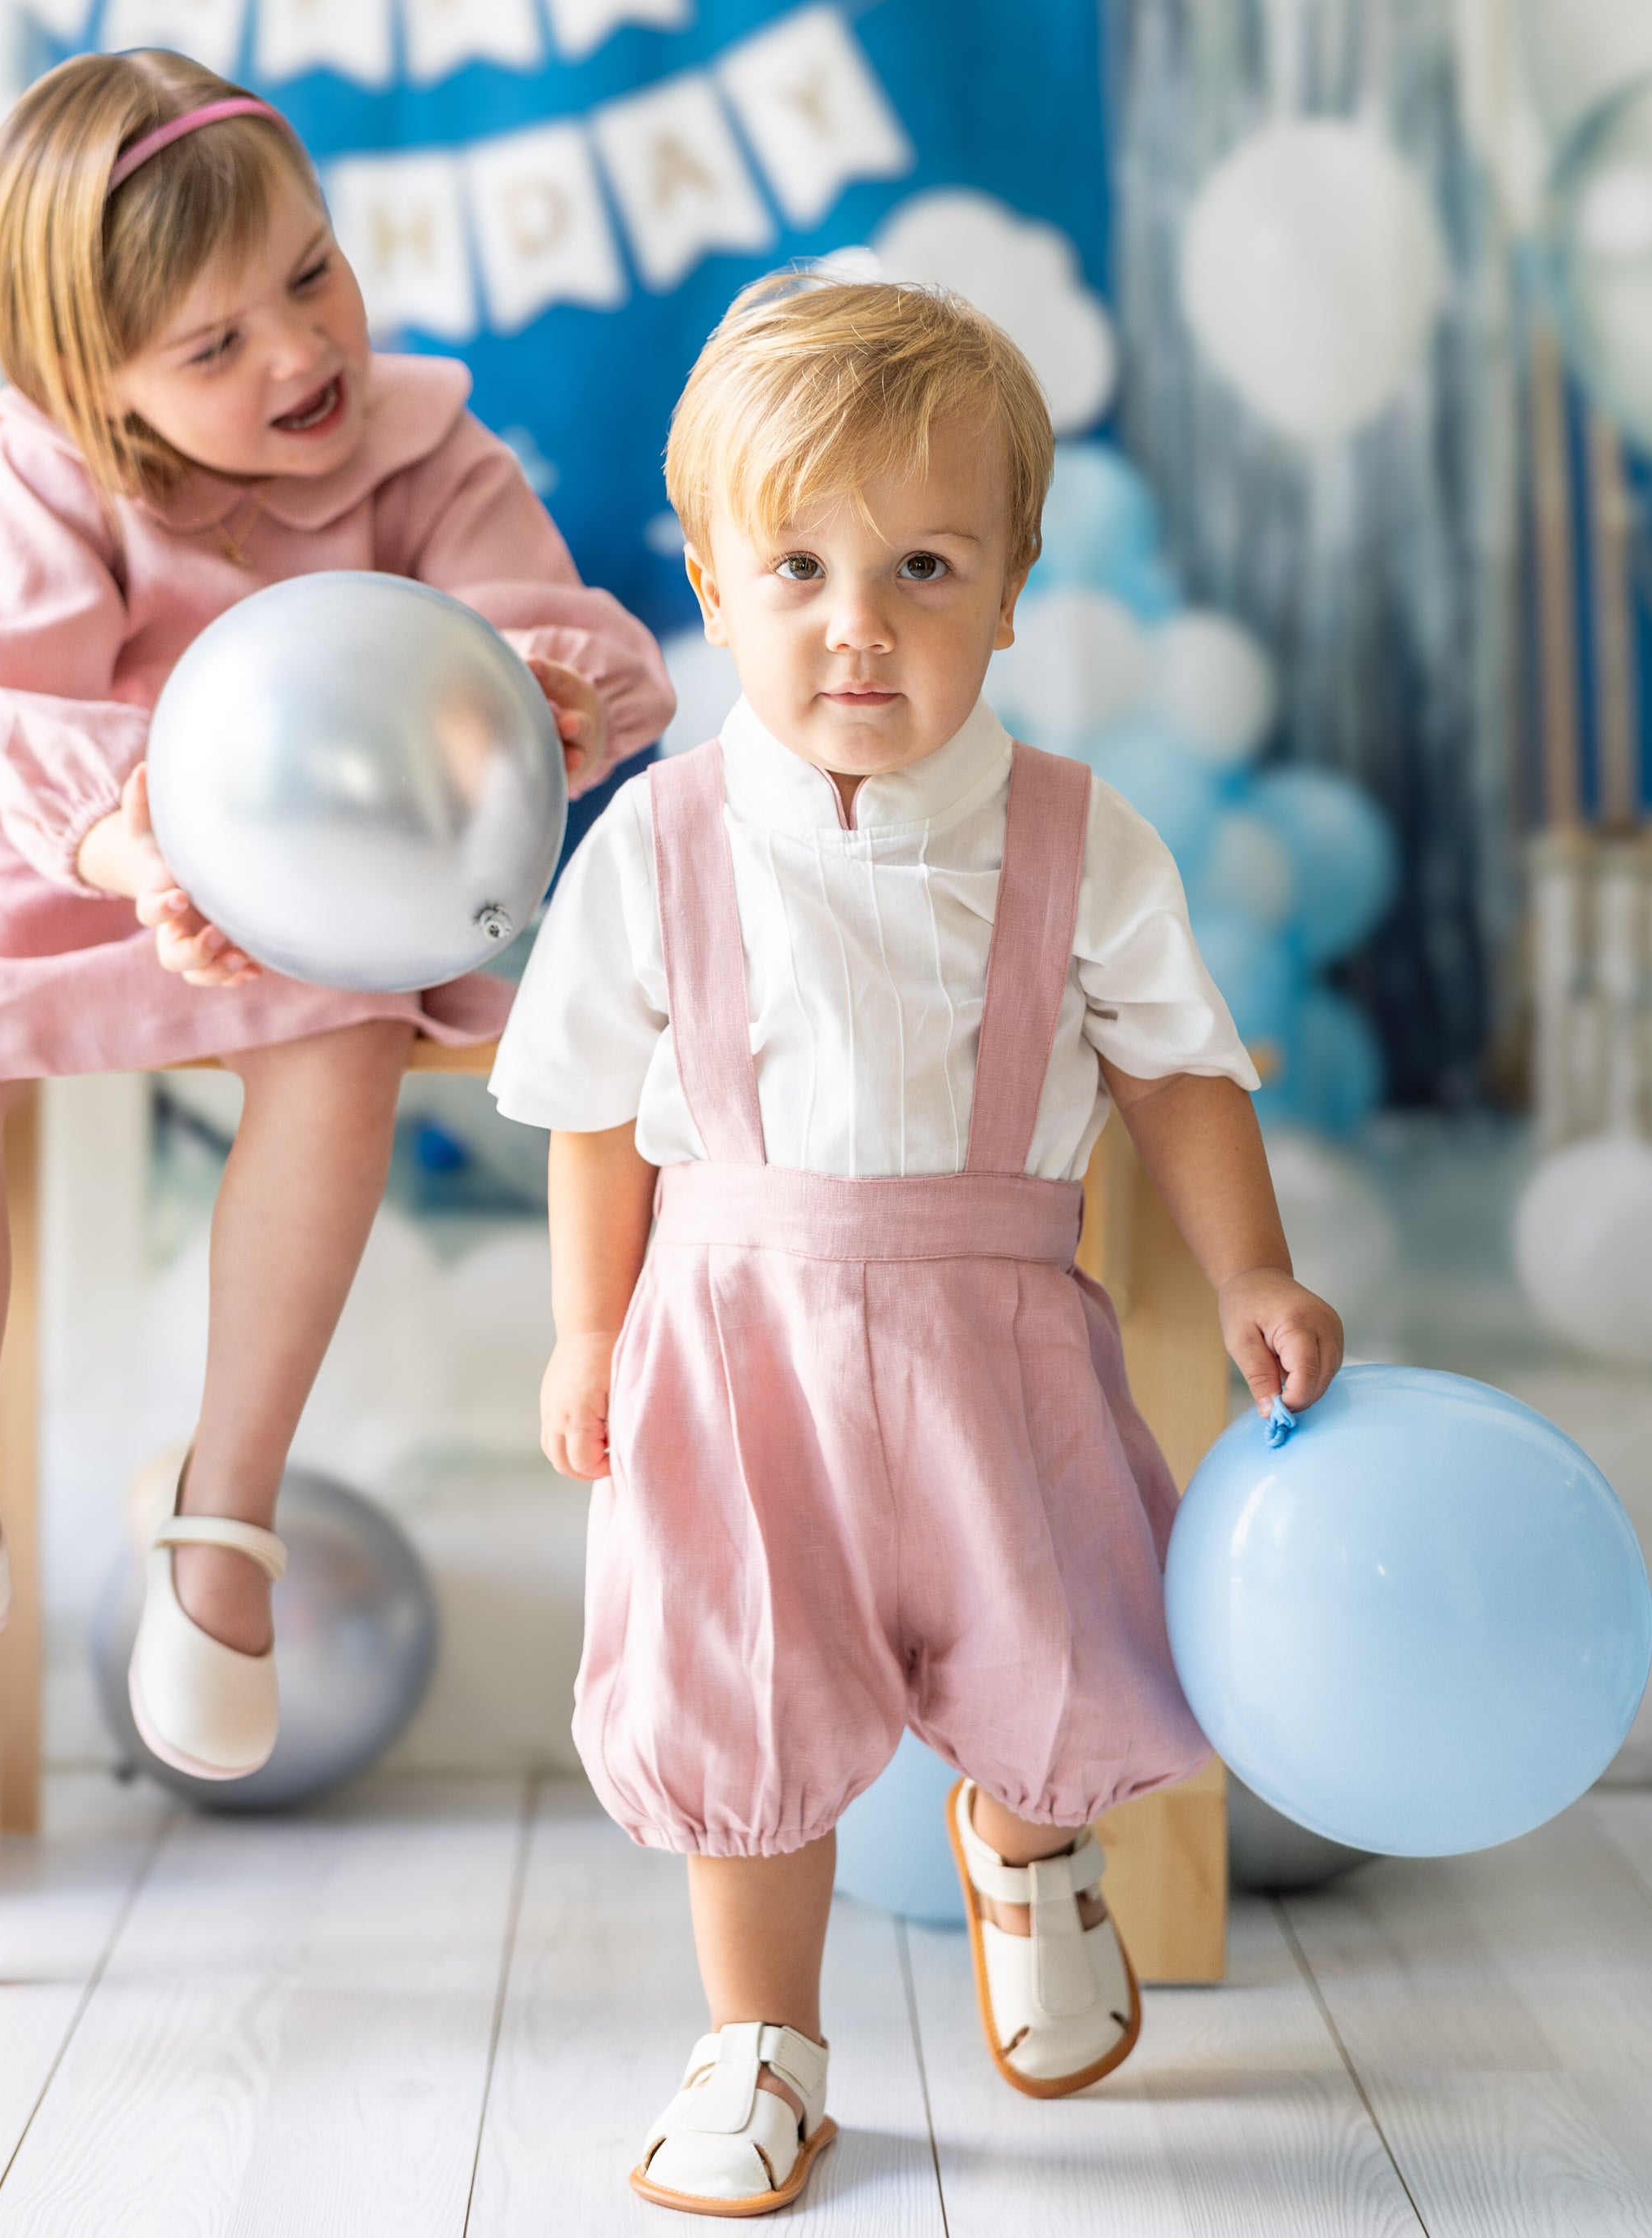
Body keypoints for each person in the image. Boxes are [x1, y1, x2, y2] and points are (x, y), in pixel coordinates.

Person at [490, 274, 1343, 2216]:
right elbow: (592, 1108)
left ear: (1012, 591)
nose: (855, 621)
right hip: (727, 1341)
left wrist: (1247, 1275)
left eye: (922, 565)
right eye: (793, 565)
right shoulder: (660, 841)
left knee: (1064, 1641)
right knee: (743, 1688)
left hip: (996, 1327)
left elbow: (1179, 1072)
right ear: (709, 586)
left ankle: (1030, 1849)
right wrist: (578, 1329)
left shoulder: (1073, 833)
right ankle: (760, 2042)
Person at [0, 52, 673, 1784]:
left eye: (309, 276)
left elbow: (539, 629)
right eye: (214, 349)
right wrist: (133, 857)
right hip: (77, 850)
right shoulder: (57, 478)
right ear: (96, 388)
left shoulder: (416, 444)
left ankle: (224, 1522)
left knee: (340, 1041)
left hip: (318, 877)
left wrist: (547, 697)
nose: (300, 356)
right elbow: (26, 709)